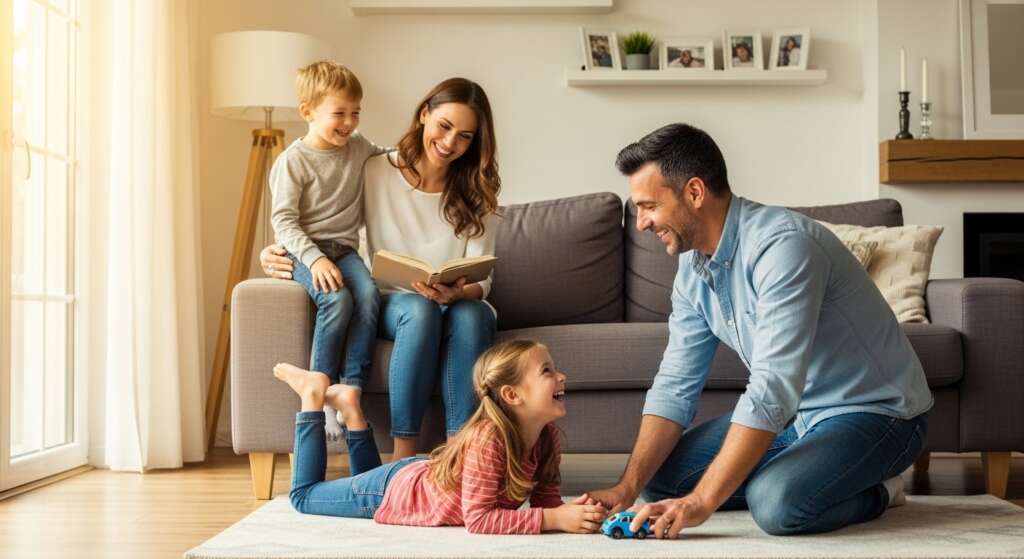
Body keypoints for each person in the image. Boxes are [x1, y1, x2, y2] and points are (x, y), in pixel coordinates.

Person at [582, 123, 933, 538]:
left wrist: (701, 502)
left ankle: (879, 490)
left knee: (777, 505)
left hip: (877, 413)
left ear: (694, 193)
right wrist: (627, 488)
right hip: (795, 416)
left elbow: (772, 386)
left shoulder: (784, 248)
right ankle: (813, 472)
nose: (640, 223)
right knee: (661, 479)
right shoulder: (692, 270)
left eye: (648, 206)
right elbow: (676, 384)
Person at [262, 78, 500, 461]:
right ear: (424, 115)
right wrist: (281, 251)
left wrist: (458, 291)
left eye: (465, 136)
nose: (450, 142)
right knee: (420, 310)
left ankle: (461, 454)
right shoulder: (374, 168)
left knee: (472, 314)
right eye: (444, 126)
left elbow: (484, 279)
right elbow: (320, 210)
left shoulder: (477, 189)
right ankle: (402, 458)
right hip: (395, 302)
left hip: (457, 301)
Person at [273, 339, 607, 534]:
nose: (562, 376)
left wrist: (572, 514)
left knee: (358, 479)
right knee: (304, 497)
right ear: (512, 395)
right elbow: (479, 520)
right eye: (547, 371)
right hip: (393, 492)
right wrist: (552, 519)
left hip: (415, 477)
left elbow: (545, 503)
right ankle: (312, 396)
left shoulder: (548, 436)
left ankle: (352, 410)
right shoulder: (489, 439)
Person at [268, 60, 386, 441]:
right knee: (336, 300)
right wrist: (314, 258)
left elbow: (389, 157)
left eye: (355, 113)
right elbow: (284, 221)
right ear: (308, 112)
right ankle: (319, 392)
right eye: (339, 113)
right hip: (307, 251)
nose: (349, 122)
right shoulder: (293, 161)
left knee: (368, 296)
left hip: (345, 249)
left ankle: (349, 389)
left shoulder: (358, 148)